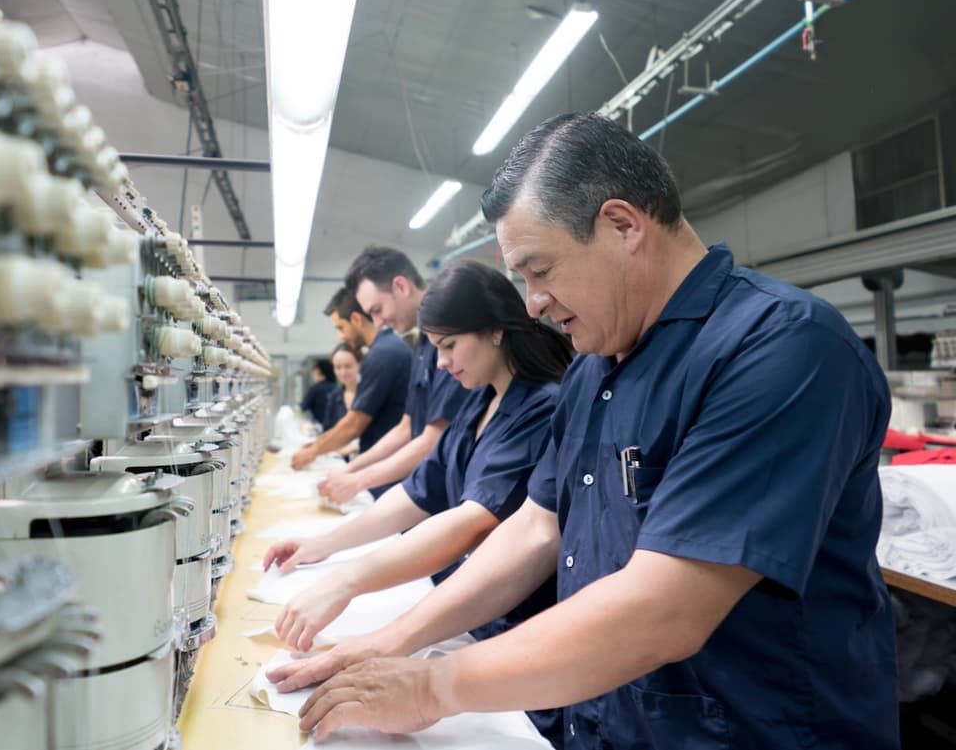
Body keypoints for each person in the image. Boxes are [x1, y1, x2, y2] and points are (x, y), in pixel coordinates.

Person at [269, 113, 898, 750]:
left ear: (623, 225)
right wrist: (391, 642)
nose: (532, 303)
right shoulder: (596, 368)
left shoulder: (781, 349)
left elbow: (667, 608)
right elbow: (536, 529)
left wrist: (434, 687)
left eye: (540, 270)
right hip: (607, 723)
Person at [264, 260, 573, 745]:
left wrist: (349, 582)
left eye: (449, 345)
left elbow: (472, 521)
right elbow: (418, 492)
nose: (442, 363)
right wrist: (321, 547)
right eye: (436, 348)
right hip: (471, 626)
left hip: (515, 638)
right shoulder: (478, 402)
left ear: (495, 331)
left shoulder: (541, 407)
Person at [317, 248, 471, 501]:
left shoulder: (446, 341)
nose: (377, 322)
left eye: (377, 309)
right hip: (427, 487)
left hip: (452, 491)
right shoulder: (422, 345)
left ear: (401, 286)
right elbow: (406, 427)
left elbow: (435, 436)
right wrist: (350, 470)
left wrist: (358, 480)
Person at [292, 288, 411, 470]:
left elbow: (354, 424)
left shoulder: (383, 354)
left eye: (341, 328)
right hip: (385, 460)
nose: (341, 336)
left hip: (390, 464)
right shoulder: (388, 348)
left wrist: (312, 451)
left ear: (356, 319)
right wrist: (315, 446)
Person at [321, 343, 360, 432]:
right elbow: (328, 429)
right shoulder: (334, 397)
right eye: (338, 367)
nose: (343, 372)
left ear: (359, 364)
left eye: (348, 366)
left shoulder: (370, 393)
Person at [300, 358, 338, 427]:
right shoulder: (338, 388)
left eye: (314, 373)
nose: (313, 376)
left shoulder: (315, 389)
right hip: (337, 426)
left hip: (320, 426)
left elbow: (302, 408)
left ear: (320, 374)